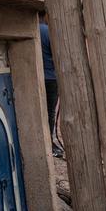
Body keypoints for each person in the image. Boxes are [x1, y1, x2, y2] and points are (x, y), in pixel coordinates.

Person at [38, 12, 63, 157]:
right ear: (47, 15)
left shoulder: (33, 30)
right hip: (51, 78)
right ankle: (49, 143)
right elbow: (58, 56)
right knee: (50, 112)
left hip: (36, 77)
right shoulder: (48, 32)